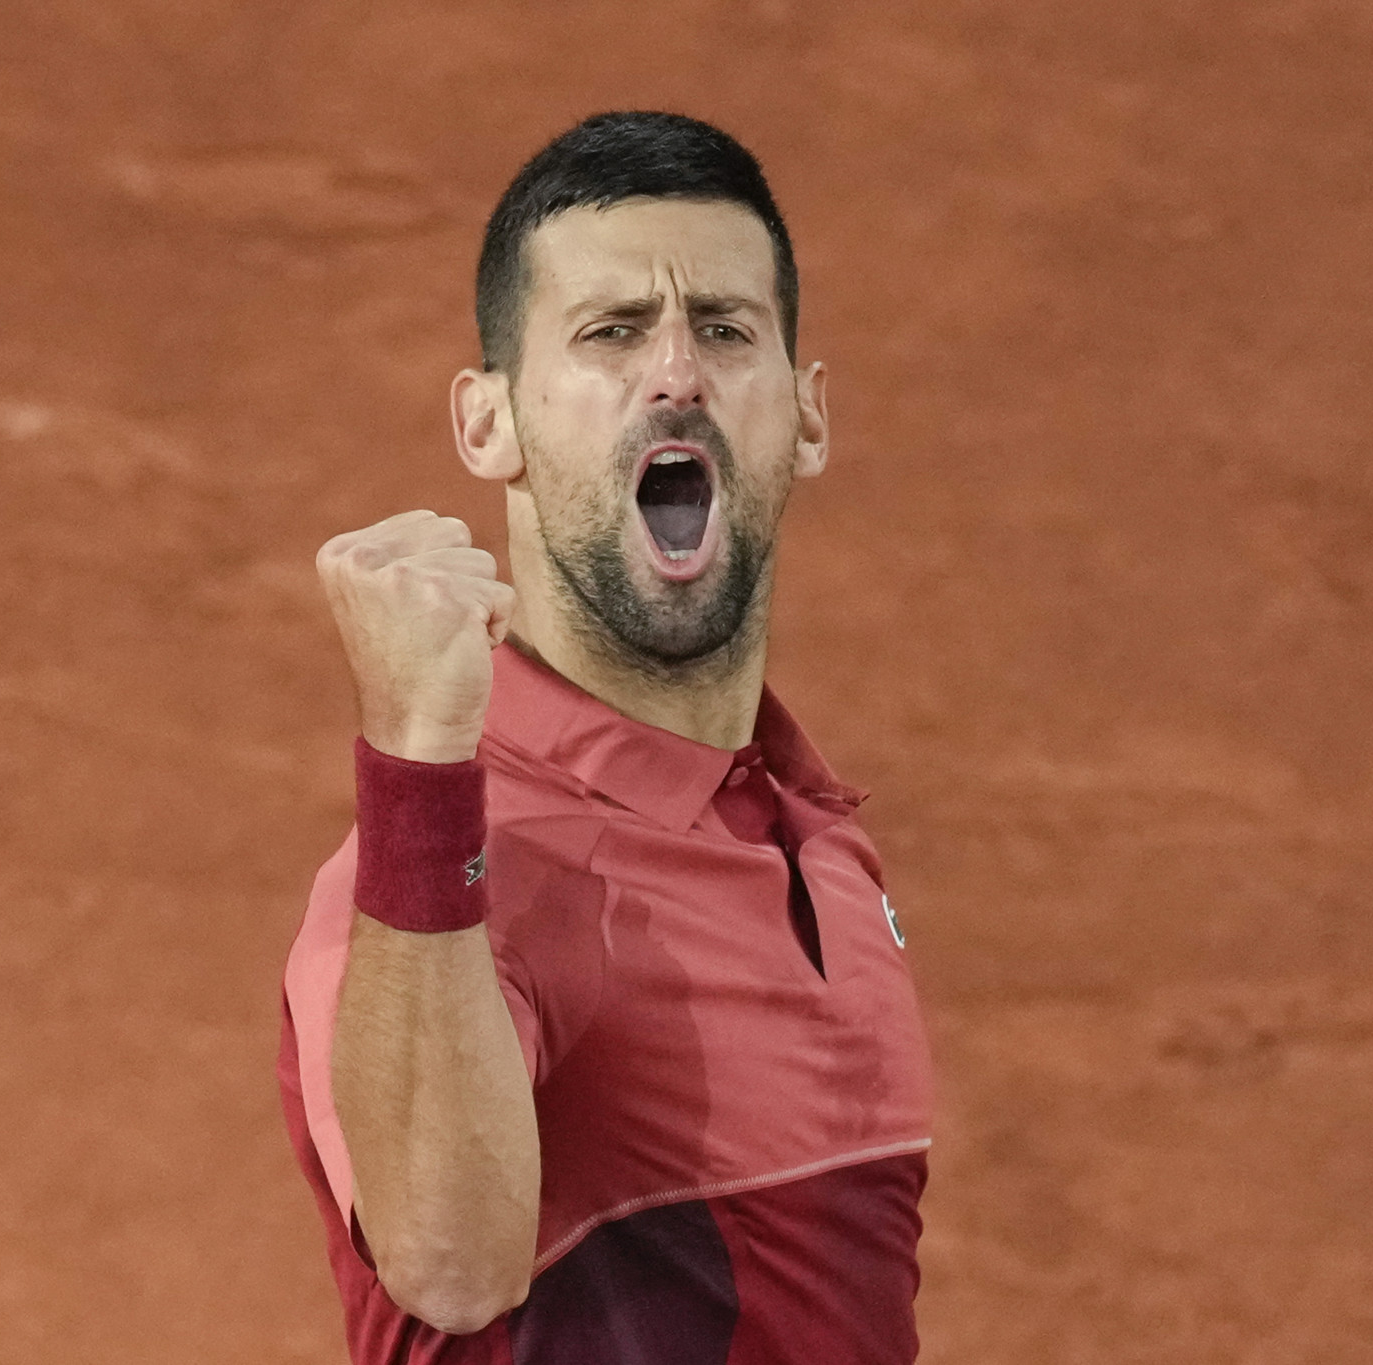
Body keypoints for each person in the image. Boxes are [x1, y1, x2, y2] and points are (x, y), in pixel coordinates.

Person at [277, 110, 934, 1363]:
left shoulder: (820, 848)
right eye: (610, 333)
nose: (676, 373)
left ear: (804, 418)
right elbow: (449, 1269)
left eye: (725, 331)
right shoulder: (440, 885)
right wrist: (418, 759)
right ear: (490, 424)